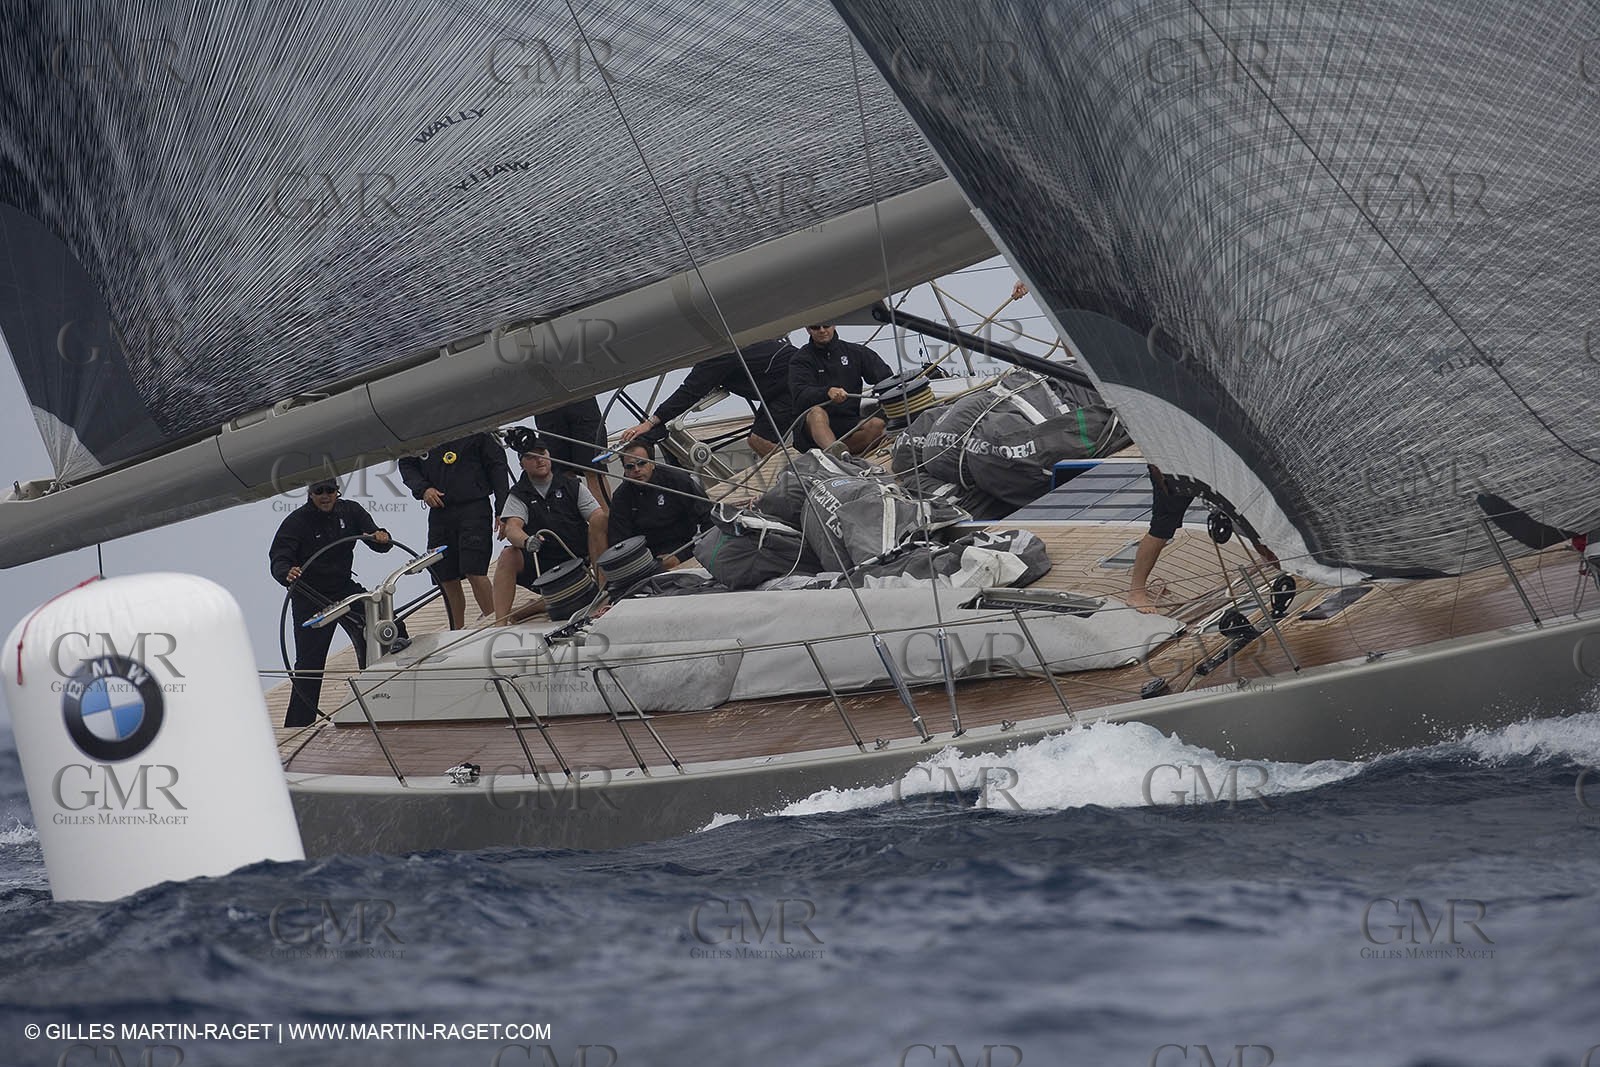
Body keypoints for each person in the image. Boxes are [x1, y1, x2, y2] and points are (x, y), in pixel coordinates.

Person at [269, 479, 409, 728]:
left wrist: (381, 538)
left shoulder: (351, 511)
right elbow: (279, 557)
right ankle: (297, 727)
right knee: (310, 664)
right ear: (310, 494)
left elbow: (375, 537)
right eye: (318, 492)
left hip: (343, 588)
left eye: (330, 491)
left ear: (337, 492)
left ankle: (383, 701)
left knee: (387, 626)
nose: (325, 496)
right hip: (310, 596)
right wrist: (285, 572)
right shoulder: (297, 521)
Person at [491, 433, 609, 624]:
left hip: (577, 558)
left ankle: (603, 591)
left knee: (600, 520)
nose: (539, 460)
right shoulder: (519, 494)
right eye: (531, 457)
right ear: (521, 464)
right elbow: (512, 528)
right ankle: (499, 623)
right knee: (507, 556)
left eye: (542, 453)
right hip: (541, 563)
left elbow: (596, 516)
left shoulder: (571, 485)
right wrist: (526, 540)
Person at [398, 432, 510, 629]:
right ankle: (456, 630)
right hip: (440, 512)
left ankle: (497, 623)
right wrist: (423, 489)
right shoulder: (420, 432)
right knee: (445, 577)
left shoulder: (476, 429)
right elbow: (406, 463)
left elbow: (497, 467)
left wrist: (502, 509)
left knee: (474, 570)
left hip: (474, 506)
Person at [1128, 464, 1276, 614]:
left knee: (1248, 505)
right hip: (1172, 467)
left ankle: (1271, 557)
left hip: (1209, 460)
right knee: (1161, 529)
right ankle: (1136, 592)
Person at [619, 339, 798, 457]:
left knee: (760, 440)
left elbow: (689, 392)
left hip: (791, 383)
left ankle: (803, 477)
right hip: (785, 380)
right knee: (760, 438)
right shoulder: (724, 341)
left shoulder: (714, 357)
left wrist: (649, 424)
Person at [788, 323, 895, 454]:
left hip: (847, 422)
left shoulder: (855, 352)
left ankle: (840, 454)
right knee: (817, 412)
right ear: (808, 330)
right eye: (816, 327)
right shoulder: (800, 360)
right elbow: (800, 394)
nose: (822, 330)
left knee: (877, 425)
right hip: (811, 429)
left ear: (834, 325)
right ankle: (834, 453)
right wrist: (826, 392)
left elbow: (886, 378)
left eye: (826, 325)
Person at [606, 442, 713, 568]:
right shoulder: (621, 497)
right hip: (643, 553)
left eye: (642, 463)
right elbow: (619, 540)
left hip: (681, 545)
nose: (636, 470)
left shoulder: (677, 480)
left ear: (652, 463)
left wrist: (708, 550)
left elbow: (708, 516)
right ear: (624, 470)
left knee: (669, 563)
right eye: (630, 466)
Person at [537, 397, 610, 505]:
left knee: (594, 469)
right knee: (561, 475)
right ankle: (573, 520)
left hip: (581, 395)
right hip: (545, 402)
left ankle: (606, 518)